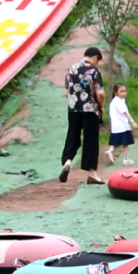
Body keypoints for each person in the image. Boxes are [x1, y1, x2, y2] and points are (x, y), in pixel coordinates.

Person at [59, 48, 106, 184]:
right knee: (91, 140)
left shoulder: (71, 69)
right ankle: (92, 174)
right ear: (95, 57)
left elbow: (67, 93)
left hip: (73, 109)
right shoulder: (94, 71)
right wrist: (101, 106)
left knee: (73, 135)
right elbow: (101, 93)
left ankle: (67, 163)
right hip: (90, 109)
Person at [104, 83, 138, 165]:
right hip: (122, 126)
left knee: (119, 142)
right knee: (125, 143)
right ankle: (125, 159)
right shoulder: (118, 102)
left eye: (125, 91)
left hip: (117, 126)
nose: (124, 93)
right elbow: (126, 113)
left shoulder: (116, 101)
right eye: (121, 91)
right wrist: (132, 122)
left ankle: (110, 151)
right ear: (116, 93)